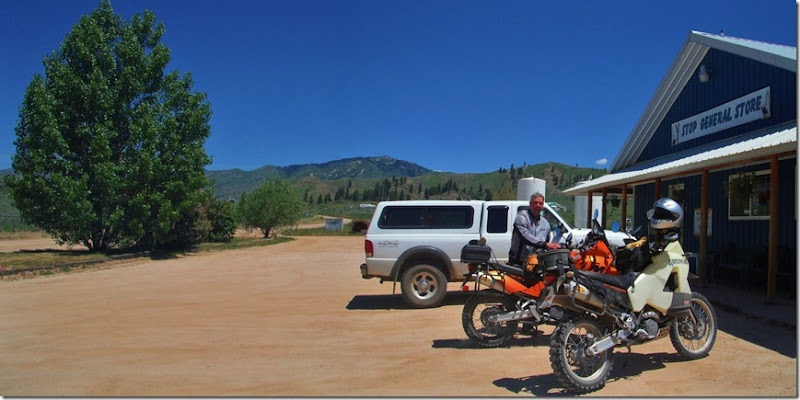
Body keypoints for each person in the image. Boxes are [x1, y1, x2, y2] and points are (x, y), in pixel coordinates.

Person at [508, 192, 561, 266]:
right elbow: (525, 237)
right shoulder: (522, 217)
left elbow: (546, 242)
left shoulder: (545, 224)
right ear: (530, 204)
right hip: (518, 260)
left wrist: (555, 247)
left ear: (542, 205)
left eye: (540, 203)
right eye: (535, 203)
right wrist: (545, 244)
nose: (537, 205)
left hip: (536, 262)